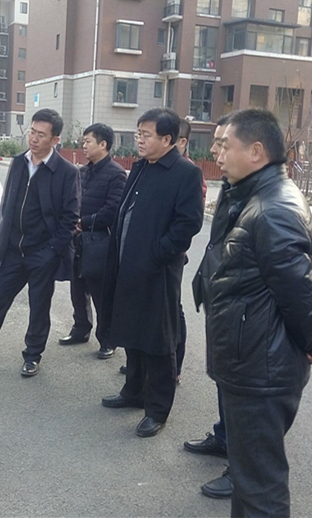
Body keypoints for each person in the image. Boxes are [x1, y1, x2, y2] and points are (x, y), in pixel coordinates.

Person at [198, 108, 312, 517]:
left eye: (225, 146)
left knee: (260, 487)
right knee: (249, 478)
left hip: (261, 369)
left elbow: (298, 289)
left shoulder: (273, 209)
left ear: (256, 151)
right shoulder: (253, 197)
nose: (218, 155)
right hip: (252, 359)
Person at [0, 108, 80, 377]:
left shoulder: (66, 172)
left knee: (39, 307)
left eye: (41, 134)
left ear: (55, 140)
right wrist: (5, 234)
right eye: (32, 131)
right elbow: (7, 203)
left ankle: (32, 355)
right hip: (13, 250)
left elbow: (70, 217)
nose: (34, 138)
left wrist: (51, 251)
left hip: (42, 253)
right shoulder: (20, 162)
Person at [100, 108, 203, 438]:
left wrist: (158, 253)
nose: (139, 140)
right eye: (138, 134)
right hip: (127, 265)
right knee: (132, 332)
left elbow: (188, 224)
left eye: (146, 135)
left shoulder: (185, 173)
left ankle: (157, 409)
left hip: (158, 271)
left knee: (158, 341)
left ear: (168, 139)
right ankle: (133, 392)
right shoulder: (142, 166)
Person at [184, 114, 236, 500]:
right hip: (222, 298)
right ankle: (224, 437)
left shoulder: (269, 200)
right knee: (224, 379)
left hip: (244, 312)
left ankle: (244, 469)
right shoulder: (234, 187)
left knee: (244, 391)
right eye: (215, 142)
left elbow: (295, 277)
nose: (215, 151)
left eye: (222, 143)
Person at [58, 123, 126, 359]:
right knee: (77, 289)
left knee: (101, 293)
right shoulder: (82, 172)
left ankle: (108, 339)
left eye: (88, 141)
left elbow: (113, 209)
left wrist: (83, 222)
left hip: (99, 241)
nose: (83, 146)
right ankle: (80, 329)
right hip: (77, 240)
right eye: (83, 141)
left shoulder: (116, 174)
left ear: (103, 144)